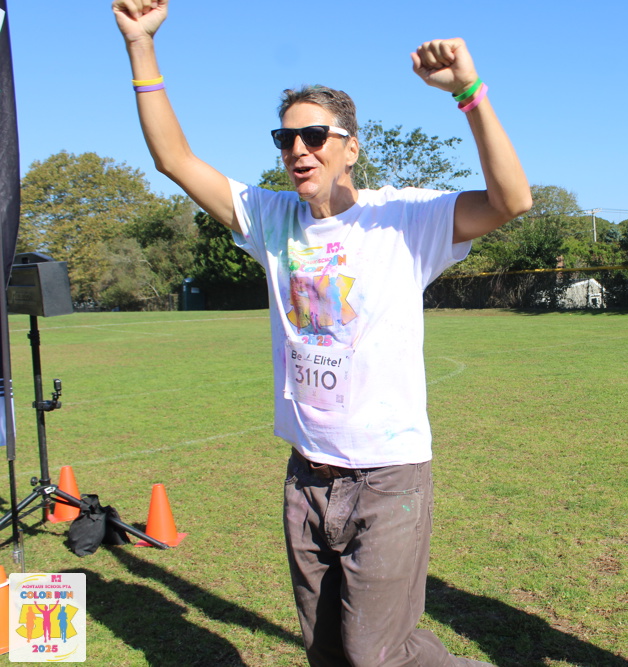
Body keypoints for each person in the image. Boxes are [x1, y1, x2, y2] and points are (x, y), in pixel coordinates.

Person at [112, 2, 531, 665]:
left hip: (388, 476)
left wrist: (470, 93)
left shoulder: (404, 219)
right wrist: (141, 44)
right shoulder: (271, 219)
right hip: (306, 475)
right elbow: (174, 159)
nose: (297, 150)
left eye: (313, 135)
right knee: (329, 653)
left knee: (377, 653)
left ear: (350, 147)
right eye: (285, 139)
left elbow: (512, 201)